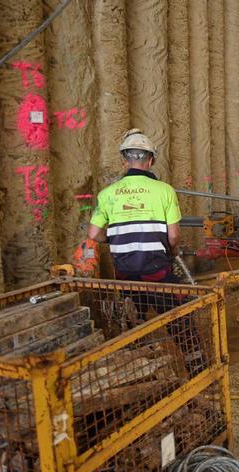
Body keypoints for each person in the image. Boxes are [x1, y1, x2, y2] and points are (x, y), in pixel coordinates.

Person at [88, 129, 203, 375]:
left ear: (124, 160)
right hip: (157, 272)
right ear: (150, 160)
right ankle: (198, 367)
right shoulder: (164, 191)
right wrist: (171, 253)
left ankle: (135, 369)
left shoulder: (107, 194)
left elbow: (93, 235)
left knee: (132, 319)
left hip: (125, 273)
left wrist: (117, 238)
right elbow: (173, 235)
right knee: (179, 317)